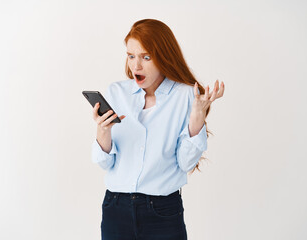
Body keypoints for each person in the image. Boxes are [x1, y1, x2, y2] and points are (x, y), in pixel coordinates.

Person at [91, 19, 224, 240]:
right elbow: (105, 163)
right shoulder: (116, 93)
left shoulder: (185, 96)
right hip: (116, 208)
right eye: (131, 56)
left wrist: (197, 117)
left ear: (164, 56)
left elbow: (185, 162)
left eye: (146, 57)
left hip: (162, 211)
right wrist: (102, 131)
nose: (136, 66)